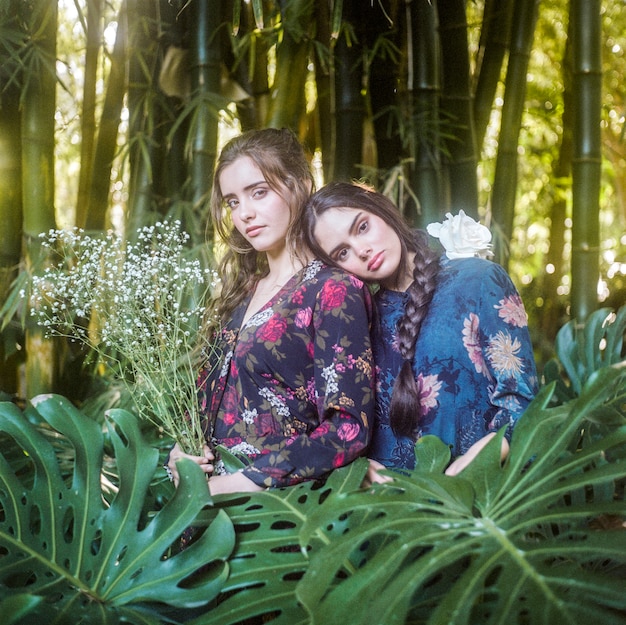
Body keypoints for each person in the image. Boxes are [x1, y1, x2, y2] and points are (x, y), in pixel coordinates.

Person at [166, 130, 375, 495]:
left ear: (301, 185)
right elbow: (209, 400)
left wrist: (238, 483)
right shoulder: (241, 293)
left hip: (280, 513)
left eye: (258, 192)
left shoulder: (333, 290)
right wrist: (181, 451)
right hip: (205, 512)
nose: (244, 214)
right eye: (232, 202)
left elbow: (347, 430)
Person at [303, 181, 538, 481]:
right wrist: (357, 465)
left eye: (362, 227)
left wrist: (479, 459)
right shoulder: (357, 324)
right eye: (342, 253)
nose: (362, 251)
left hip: (485, 496)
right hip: (395, 510)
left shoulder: (479, 280)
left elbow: (522, 399)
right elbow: (342, 423)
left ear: (382, 209)